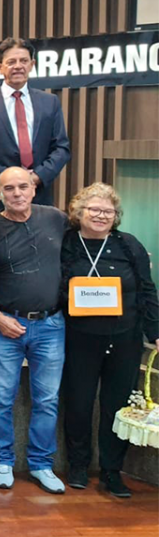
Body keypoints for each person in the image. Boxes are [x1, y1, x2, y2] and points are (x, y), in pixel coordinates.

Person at [60, 183, 158, 498]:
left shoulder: (128, 244)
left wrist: (155, 332)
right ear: (79, 212)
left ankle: (112, 471)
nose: (102, 216)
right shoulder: (66, 242)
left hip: (125, 338)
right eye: (95, 209)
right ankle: (78, 465)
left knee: (117, 405)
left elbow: (147, 288)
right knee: (78, 403)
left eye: (109, 211)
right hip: (79, 338)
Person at [0, 167, 68, 494]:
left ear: (34, 189)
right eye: (9, 188)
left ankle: (41, 464)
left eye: (23, 186)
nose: (17, 193)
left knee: (47, 400)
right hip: (5, 325)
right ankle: (2, 461)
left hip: (51, 325)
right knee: (1, 398)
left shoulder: (55, 219)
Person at [0, 37, 72, 211]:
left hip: (39, 196)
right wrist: (10, 178)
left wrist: (37, 176)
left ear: (32, 65)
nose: (18, 66)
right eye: (11, 62)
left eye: (23, 61)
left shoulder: (50, 102)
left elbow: (61, 148)